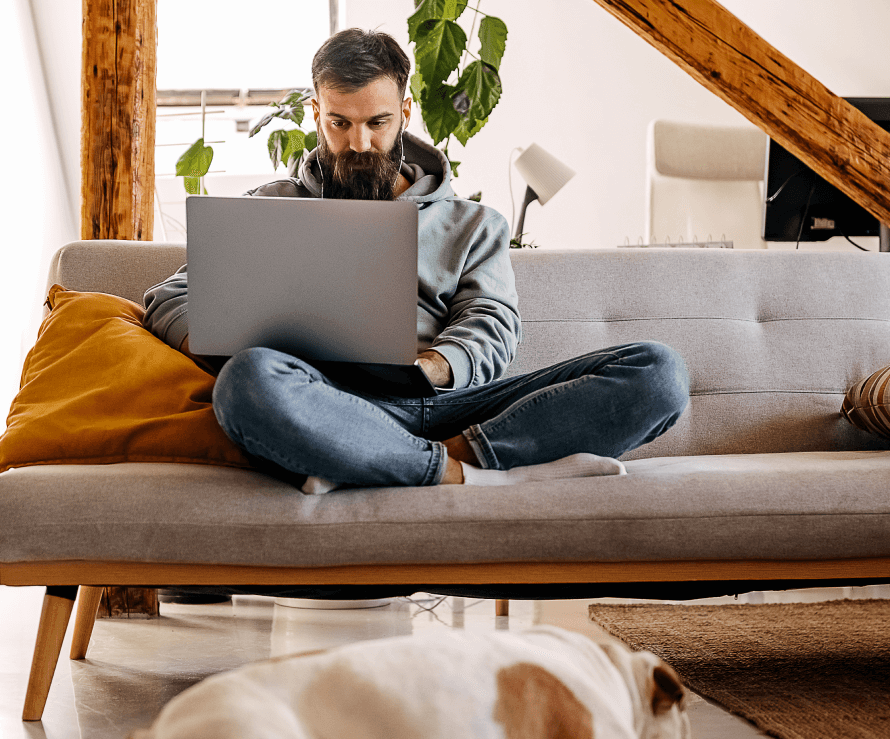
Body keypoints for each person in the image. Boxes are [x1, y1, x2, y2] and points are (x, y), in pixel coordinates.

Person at [144, 28, 689, 493]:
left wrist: (434, 366)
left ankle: (375, 461)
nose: (359, 142)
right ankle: (460, 474)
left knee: (658, 373)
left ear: (404, 112)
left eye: (377, 122)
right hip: (331, 403)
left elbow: (491, 325)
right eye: (340, 123)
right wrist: (228, 336)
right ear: (315, 113)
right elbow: (168, 297)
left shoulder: (475, 224)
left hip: (457, 407)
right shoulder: (269, 208)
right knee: (247, 380)